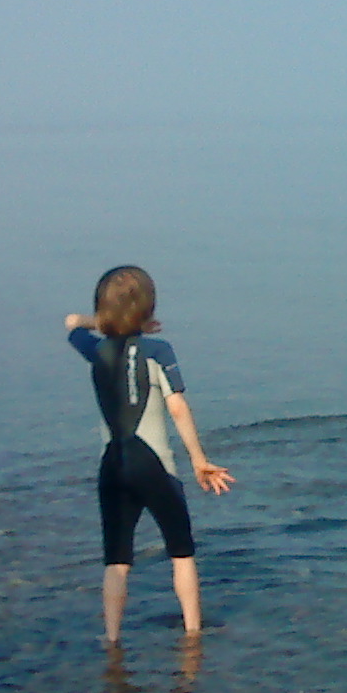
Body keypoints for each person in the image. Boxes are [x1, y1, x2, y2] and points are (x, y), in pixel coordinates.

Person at [65, 266, 233, 644]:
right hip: (154, 466)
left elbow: (73, 323)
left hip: (113, 465)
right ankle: (192, 634)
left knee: (117, 560)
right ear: (149, 310)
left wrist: (102, 322)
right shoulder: (159, 350)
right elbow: (177, 407)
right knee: (181, 551)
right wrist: (198, 459)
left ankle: (111, 640)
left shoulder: (95, 349)